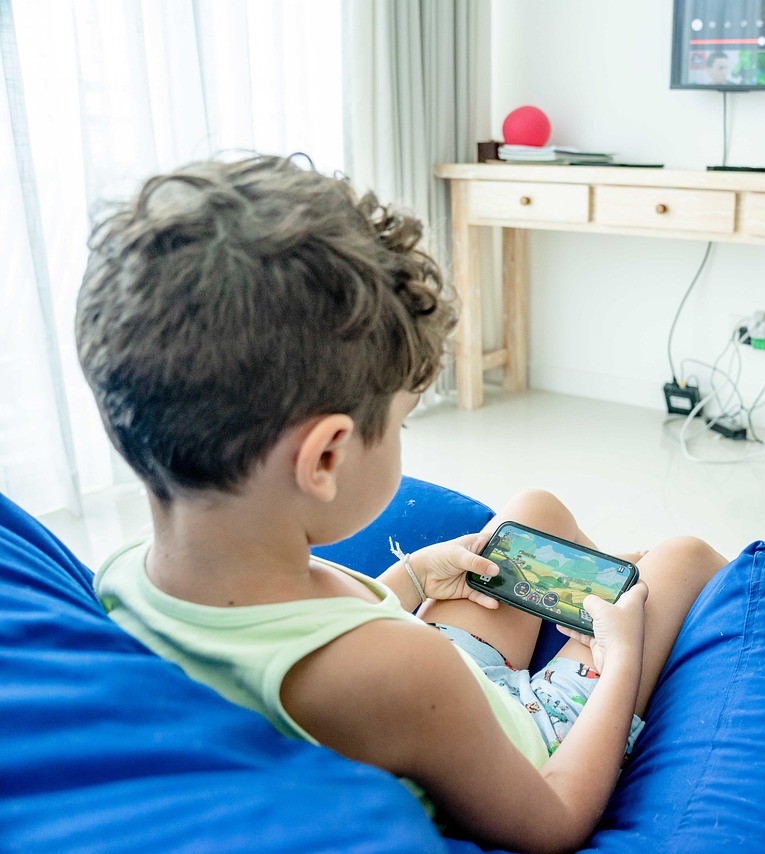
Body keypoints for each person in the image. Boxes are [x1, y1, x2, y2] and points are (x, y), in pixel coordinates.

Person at [76, 154, 728, 853]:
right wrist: (620, 663)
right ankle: (611, 618)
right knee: (684, 561)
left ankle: (603, 593)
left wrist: (413, 576)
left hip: (441, 686)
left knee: (532, 512)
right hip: (523, 737)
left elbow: (309, 647)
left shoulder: (120, 579)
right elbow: (553, 817)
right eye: (403, 422)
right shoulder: (395, 670)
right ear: (326, 458)